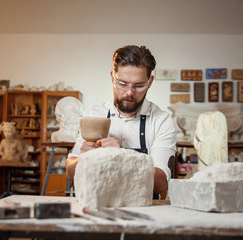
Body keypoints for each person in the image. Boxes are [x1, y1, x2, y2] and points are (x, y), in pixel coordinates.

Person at [65, 45, 177, 198]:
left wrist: (120, 158)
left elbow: (160, 183)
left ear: (149, 82)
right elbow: (70, 171)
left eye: (138, 86)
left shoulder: (161, 121)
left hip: (143, 211)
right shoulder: (94, 115)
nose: (130, 92)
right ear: (112, 77)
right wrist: (84, 160)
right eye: (122, 84)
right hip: (98, 207)